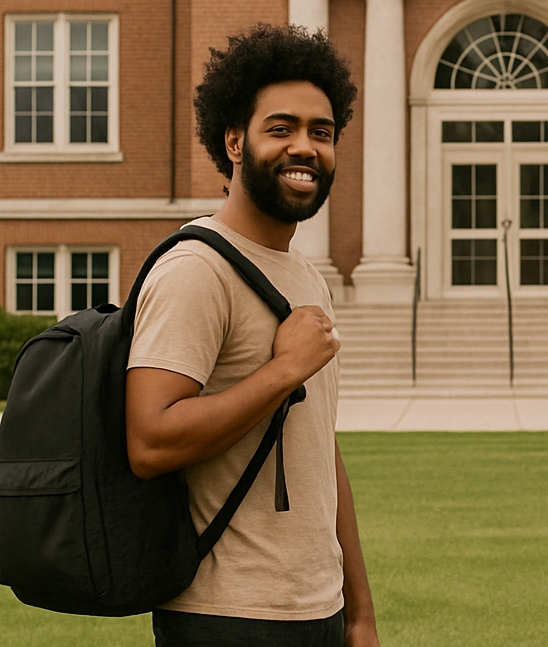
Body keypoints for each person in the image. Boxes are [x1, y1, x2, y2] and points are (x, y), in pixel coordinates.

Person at [124, 24, 378, 647]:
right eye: (281, 128)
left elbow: (319, 449)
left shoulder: (303, 276)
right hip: (225, 615)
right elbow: (149, 441)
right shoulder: (197, 269)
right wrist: (283, 370)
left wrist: (359, 611)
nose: (305, 147)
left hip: (314, 609)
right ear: (235, 142)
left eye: (322, 132)